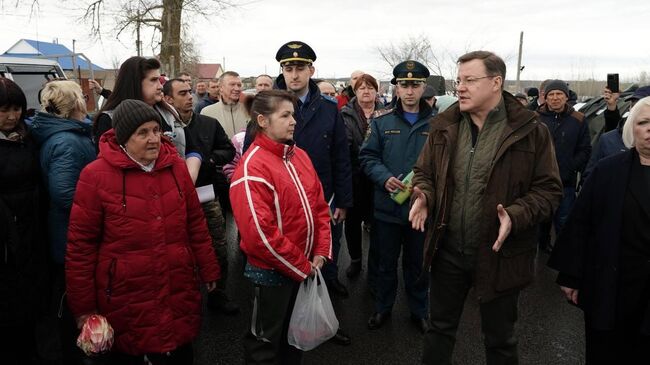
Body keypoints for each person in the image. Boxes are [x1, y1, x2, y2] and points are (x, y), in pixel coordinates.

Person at [409, 50, 562, 365]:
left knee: (501, 340)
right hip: (448, 250)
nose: (460, 87)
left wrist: (516, 216)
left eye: (469, 80)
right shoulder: (444, 126)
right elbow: (424, 173)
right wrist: (424, 194)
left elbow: (549, 190)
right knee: (438, 330)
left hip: (500, 253)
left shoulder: (531, 131)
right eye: (459, 80)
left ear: (496, 82)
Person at [65, 99, 220, 364]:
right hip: (126, 295)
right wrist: (84, 308)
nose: (153, 139)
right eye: (142, 133)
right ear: (124, 138)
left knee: (179, 350)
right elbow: (81, 248)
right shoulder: (95, 176)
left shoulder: (177, 169)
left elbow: (195, 223)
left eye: (156, 130)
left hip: (176, 284)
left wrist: (209, 268)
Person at [230, 90, 332, 364]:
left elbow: (319, 207)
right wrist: (304, 266)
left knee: (293, 340)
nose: (294, 121)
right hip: (272, 275)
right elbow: (259, 237)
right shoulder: (253, 168)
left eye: (293, 114)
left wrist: (321, 250)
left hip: (303, 267)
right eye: (285, 115)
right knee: (264, 346)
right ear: (263, 120)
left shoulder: (298, 155)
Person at [548, 96, 650, 364]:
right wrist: (571, 275)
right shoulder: (609, 171)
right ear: (631, 129)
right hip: (613, 282)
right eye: (643, 122)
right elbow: (582, 222)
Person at [269, 40, 352, 345]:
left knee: (326, 260)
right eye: (288, 68)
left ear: (311, 70)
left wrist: (343, 200)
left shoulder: (329, 109)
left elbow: (342, 156)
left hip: (325, 201)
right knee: (288, 262)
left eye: (300, 67)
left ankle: (324, 322)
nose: (294, 74)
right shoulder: (269, 106)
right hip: (285, 203)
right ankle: (287, 323)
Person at [360, 61, 433, 334]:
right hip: (387, 207)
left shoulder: (438, 124)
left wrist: (426, 189)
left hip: (420, 209)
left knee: (418, 265)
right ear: (397, 87)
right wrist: (384, 177)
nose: (410, 90)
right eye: (404, 85)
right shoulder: (381, 121)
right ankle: (383, 308)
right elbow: (367, 157)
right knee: (385, 263)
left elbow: (446, 164)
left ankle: (419, 311)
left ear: (424, 87)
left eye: (415, 85)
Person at [29, 80, 97, 363]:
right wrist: (100, 207)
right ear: (74, 105)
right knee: (71, 300)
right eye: (81, 96)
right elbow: (64, 193)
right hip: (71, 234)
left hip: (69, 231)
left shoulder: (68, 133)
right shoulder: (67, 141)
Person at [163, 78, 239, 315]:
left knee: (218, 247)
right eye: (183, 93)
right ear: (168, 99)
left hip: (206, 196)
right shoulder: (161, 126)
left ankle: (218, 295)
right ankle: (183, 301)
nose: (189, 97)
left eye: (190, 93)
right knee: (177, 252)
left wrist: (209, 160)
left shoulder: (208, 124)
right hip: (171, 201)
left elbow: (228, 150)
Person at [0, 78, 48, 365]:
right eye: (4, 109)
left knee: (30, 303)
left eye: (17, 108)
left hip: (32, 228)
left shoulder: (29, 137)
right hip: (5, 236)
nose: (12, 116)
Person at [93, 56, 189, 158]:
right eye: (153, 80)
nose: (160, 86)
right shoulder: (109, 119)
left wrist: (190, 168)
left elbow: (191, 146)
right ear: (135, 83)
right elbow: (107, 164)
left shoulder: (168, 111)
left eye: (159, 80)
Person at [536, 79, 591, 253]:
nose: (555, 98)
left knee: (564, 221)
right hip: (540, 181)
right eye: (551, 94)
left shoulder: (579, 119)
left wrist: (571, 167)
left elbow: (585, 149)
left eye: (559, 94)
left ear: (566, 97)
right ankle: (541, 248)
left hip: (565, 182)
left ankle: (563, 257)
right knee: (541, 221)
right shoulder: (535, 118)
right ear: (545, 98)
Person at [341, 73, 383, 280]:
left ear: (377, 91)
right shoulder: (344, 114)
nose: (366, 91)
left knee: (378, 224)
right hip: (354, 177)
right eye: (361, 88)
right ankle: (355, 260)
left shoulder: (387, 113)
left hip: (378, 180)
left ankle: (375, 265)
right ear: (355, 91)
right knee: (352, 222)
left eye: (370, 88)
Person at [583, 86, 650, 181]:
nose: (635, 109)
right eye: (633, 104)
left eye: (640, 106)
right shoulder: (608, 140)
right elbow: (589, 177)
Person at [201, 71, 250, 139]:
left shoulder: (249, 110)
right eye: (232, 84)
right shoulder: (207, 112)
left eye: (239, 85)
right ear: (221, 87)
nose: (237, 88)